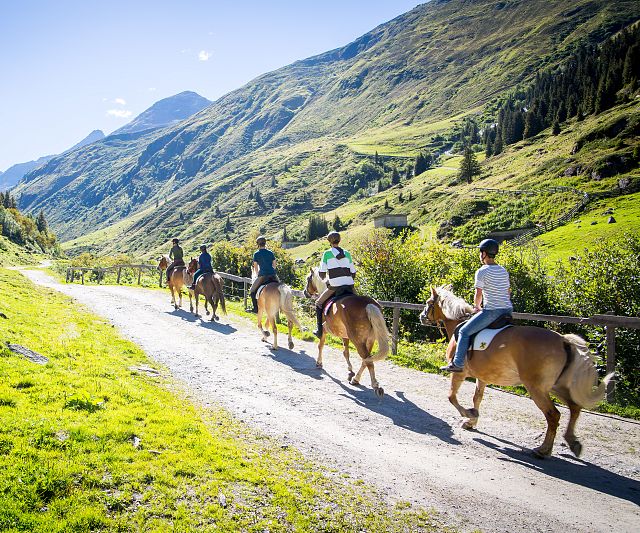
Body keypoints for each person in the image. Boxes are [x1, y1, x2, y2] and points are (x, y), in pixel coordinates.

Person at [441, 238, 513, 372]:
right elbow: (507, 292)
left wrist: (477, 307)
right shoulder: (503, 270)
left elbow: (478, 294)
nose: (480, 255)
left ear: (484, 254)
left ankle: (457, 363)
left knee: (464, 331)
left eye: (481, 252)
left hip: (492, 311)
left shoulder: (482, 271)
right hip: (507, 310)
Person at [313, 231, 356, 338]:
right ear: (339, 240)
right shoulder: (347, 253)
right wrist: (347, 280)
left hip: (335, 286)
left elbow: (322, 272)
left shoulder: (327, 254)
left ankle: (319, 331)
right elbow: (353, 272)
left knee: (318, 303)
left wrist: (327, 281)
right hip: (349, 284)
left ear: (329, 241)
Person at [248, 235, 279, 313]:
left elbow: (255, 267)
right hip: (273, 275)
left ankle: (255, 309)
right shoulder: (271, 253)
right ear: (265, 243)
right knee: (282, 288)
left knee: (252, 291)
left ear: (258, 244)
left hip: (263, 276)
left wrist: (259, 274)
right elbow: (274, 265)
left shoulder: (256, 254)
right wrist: (271, 270)